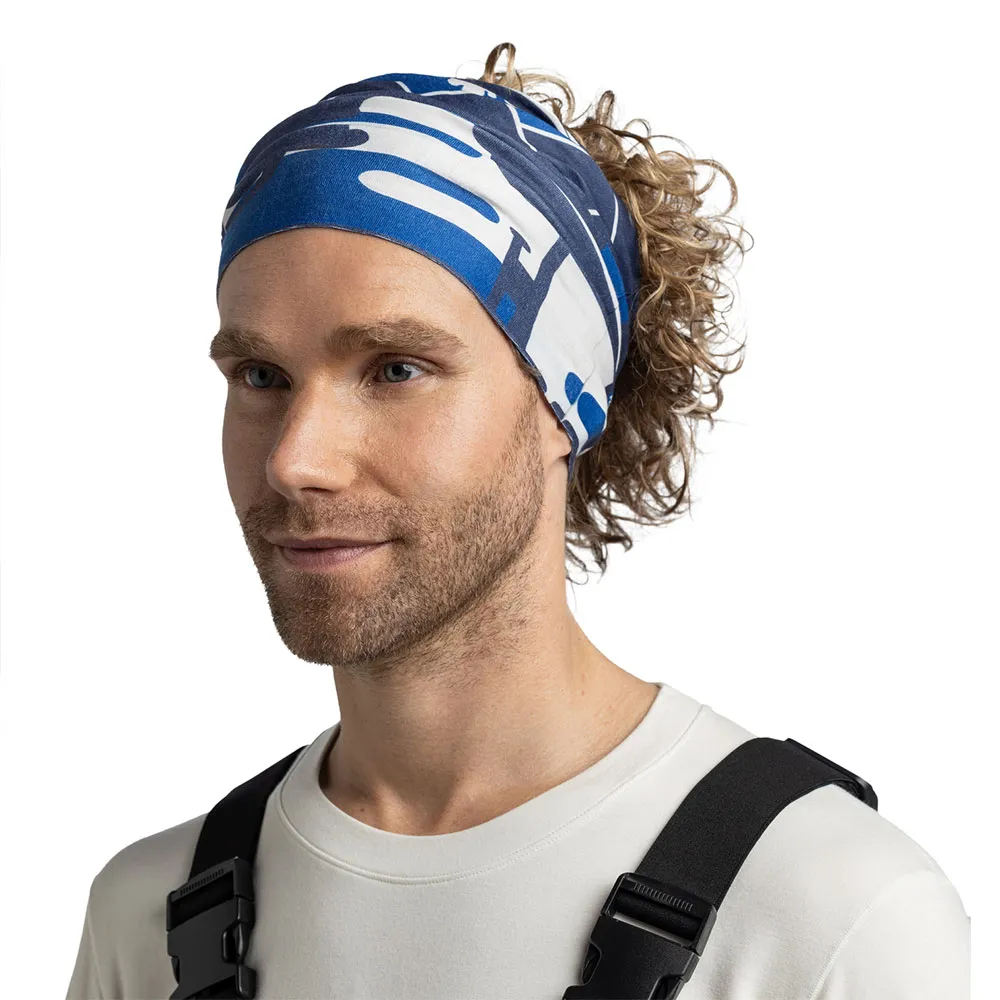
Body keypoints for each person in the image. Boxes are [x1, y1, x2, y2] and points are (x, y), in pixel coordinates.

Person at [66, 42, 970, 1000]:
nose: (296, 459)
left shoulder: (831, 910)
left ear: (564, 406)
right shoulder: (150, 914)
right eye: (261, 375)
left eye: (396, 370)